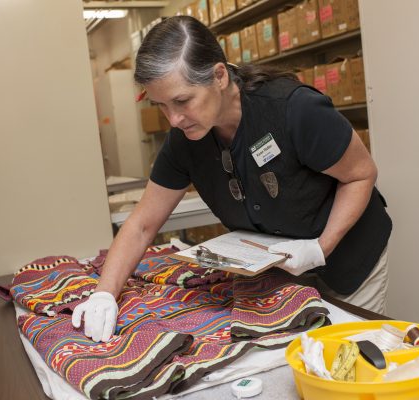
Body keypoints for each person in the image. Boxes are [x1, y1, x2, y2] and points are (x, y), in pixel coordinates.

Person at [72, 16, 392, 342]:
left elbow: (361, 175)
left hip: (350, 262)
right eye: (162, 106)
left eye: (182, 101)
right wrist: (104, 293)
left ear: (220, 76)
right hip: (284, 275)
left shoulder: (292, 109)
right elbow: (142, 224)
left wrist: (321, 247)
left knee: (353, 358)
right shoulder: (184, 139)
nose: (174, 119)